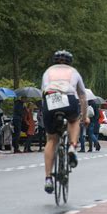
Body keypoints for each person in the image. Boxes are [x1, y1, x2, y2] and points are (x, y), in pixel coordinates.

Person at [42, 50, 90, 194]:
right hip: (68, 98)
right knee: (74, 120)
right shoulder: (74, 72)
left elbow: (42, 92)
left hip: (50, 98)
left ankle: (48, 178)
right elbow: (82, 95)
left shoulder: (47, 72)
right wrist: (85, 116)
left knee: (51, 139)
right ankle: (72, 146)